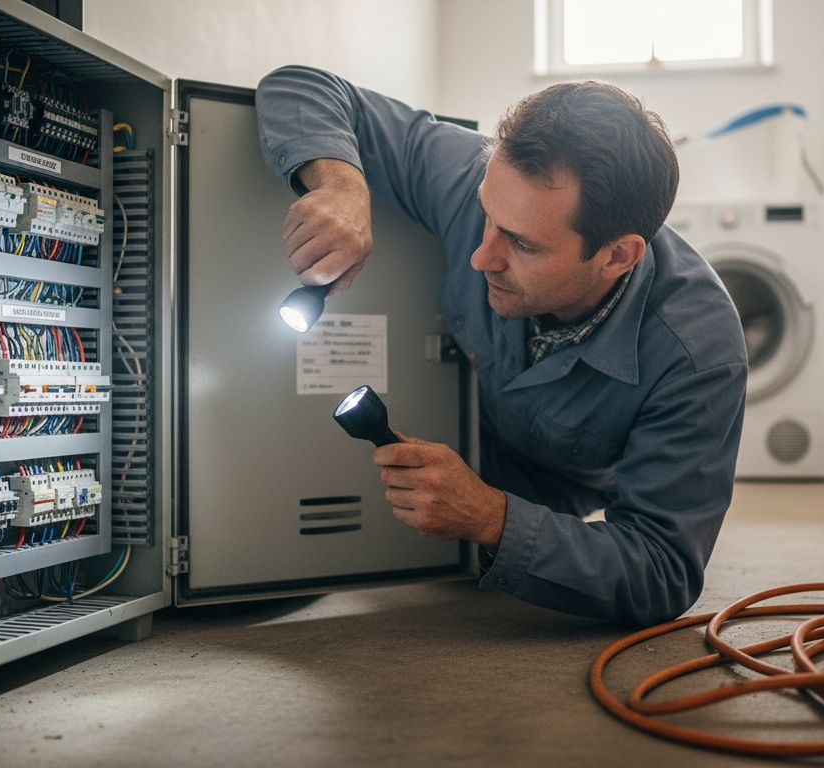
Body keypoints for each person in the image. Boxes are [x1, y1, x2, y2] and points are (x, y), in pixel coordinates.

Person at [257, 66, 747, 626]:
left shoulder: (697, 353)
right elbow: (300, 86)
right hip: (453, 422)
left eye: (521, 244)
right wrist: (340, 185)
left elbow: (662, 569)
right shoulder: (480, 178)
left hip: (544, 492)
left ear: (618, 256)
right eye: (486, 217)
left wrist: (490, 517)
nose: (481, 256)